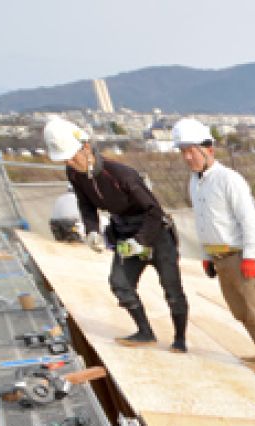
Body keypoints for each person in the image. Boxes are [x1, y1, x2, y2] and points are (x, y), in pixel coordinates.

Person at [45, 118, 189, 351]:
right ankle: (145, 332)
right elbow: (86, 205)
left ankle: (180, 339)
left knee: (171, 288)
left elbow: (154, 211)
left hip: (155, 233)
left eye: (73, 157)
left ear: (87, 147)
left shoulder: (121, 174)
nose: (71, 163)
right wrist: (92, 231)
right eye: (65, 160)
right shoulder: (75, 175)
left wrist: (140, 241)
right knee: (120, 283)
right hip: (123, 231)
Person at [172, 118, 255, 378]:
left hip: (239, 255)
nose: (188, 157)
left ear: (209, 150)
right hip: (219, 257)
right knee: (240, 310)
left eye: (192, 151)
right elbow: (203, 221)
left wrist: (250, 256)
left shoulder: (229, 179)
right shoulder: (195, 182)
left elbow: (249, 220)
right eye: (184, 152)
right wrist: (206, 255)